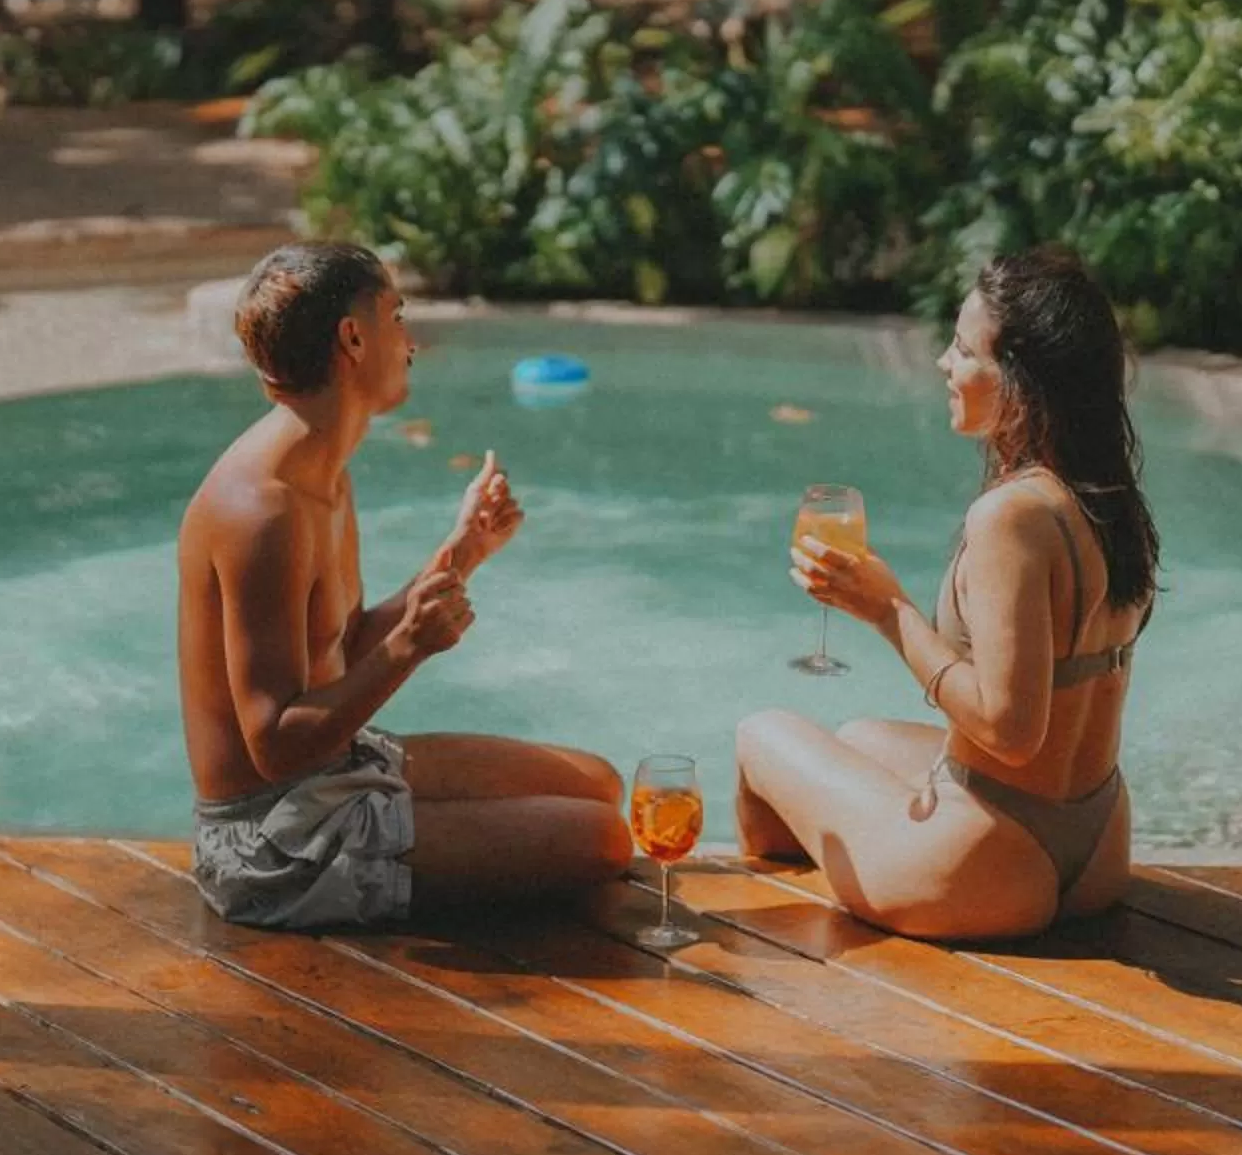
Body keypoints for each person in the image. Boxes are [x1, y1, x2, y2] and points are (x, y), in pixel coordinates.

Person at [177, 240, 631, 928]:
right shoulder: (261, 510)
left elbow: (347, 641)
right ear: (353, 339)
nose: (410, 341)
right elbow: (273, 746)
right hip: (270, 842)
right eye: (396, 317)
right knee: (603, 839)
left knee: (600, 784)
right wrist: (410, 648)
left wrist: (464, 551)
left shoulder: (322, 470)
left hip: (336, 769)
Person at [733, 246, 1160, 939]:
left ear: (1018, 380)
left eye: (963, 350)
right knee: (858, 736)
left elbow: (1011, 732)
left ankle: (790, 930)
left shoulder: (1010, 517)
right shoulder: (1106, 497)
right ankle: (870, 855)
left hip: (988, 869)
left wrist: (887, 610)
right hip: (1098, 843)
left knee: (761, 735)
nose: (944, 364)